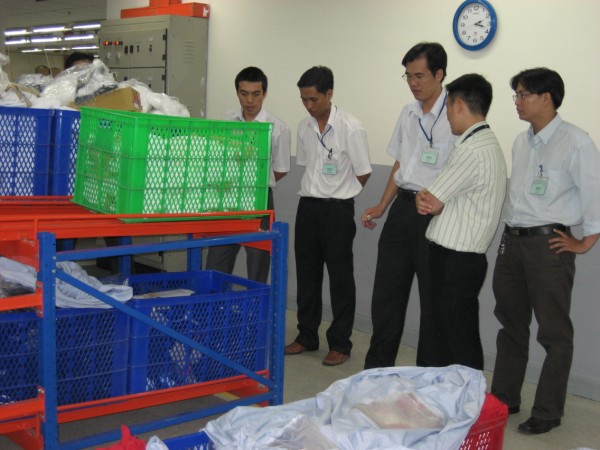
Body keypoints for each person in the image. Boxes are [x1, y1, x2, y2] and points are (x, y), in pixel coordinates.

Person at [491, 67, 600, 435]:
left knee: (554, 332)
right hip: (512, 243)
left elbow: (595, 193)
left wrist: (584, 241)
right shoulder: (521, 142)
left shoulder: (576, 142)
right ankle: (504, 398)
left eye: (523, 94)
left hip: (548, 246)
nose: (517, 102)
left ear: (547, 97)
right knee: (510, 324)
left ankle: (548, 411)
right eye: (517, 95)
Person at [362, 42, 457, 370]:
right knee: (386, 294)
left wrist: (443, 202)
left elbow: (462, 168)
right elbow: (400, 162)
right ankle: (376, 371)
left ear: (439, 74)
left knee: (432, 298)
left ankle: (427, 375)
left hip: (436, 215)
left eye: (420, 76)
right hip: (402, 210)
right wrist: (382, 205)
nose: (413, 83)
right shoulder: (408, 112)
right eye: (408, 76)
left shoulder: (455, 113)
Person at [415, 73, 506, 370]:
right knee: (456, 332)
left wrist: (425, 197)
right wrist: (432, 200)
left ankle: (464, 393)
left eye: (447, 107)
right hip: (466, 259)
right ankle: (455, 392)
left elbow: (430, 202)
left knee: (453, 338)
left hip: (453, 259)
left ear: (458, 105)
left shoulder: (470, 149)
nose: (447, 116)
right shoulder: (489, 144)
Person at [284, 66, 372, 366]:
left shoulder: (351, 127)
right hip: (308, 207)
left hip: (337, 210)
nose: (308, 106)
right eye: (303, 100)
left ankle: (340, 343)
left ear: (329, 94)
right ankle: (307, 335)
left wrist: (341, 191)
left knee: (340, 278)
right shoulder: (304, 127)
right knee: (307, 275)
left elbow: (363, 172)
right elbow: (308, 165)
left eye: (314, 99)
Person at [205, 67, 291, 283]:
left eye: (256, 94)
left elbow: (280, 168)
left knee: (258, 261)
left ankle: (256, 303)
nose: (250, 100)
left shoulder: (277, 127)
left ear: (264, 94)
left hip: (260, 200)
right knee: (217, 258)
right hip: (226, 199)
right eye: (244, 94)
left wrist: (255, 183)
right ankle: (215, 302)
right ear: (237, 93)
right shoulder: (226, 121)